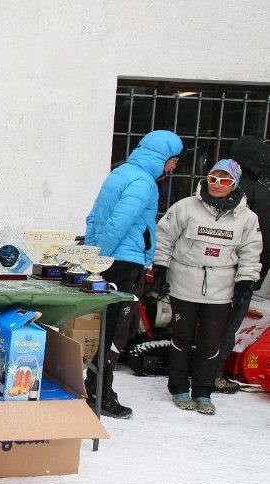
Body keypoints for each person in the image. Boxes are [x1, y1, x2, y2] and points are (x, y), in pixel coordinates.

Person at [84, 129, 183, 419]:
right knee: (117, 331)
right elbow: (119, 222)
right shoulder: (144, 183)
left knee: (109, 328)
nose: (174, 166)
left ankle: (98, 389)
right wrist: (101, 258)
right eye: (174, 160)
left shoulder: (120, 173)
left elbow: (93, 216)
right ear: (164, 157)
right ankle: (101, 395)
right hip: (124, 264)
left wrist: (93, 251)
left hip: (111, 259)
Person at [152, 159, 261, 414]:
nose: (218, 185)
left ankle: (203, 392)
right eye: (214, 179)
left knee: (210, 342)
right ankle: (178, 388)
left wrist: (245, 281)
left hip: (220, 288)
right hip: (184, 283)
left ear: (234, 185)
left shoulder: (247, 217)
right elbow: (164, 237)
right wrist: (160, 268)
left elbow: (250, 252)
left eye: (225, 181)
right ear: (207, 179)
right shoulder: (186, 207)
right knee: (182, 337)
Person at [213, 136, 270, 393]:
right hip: (242, 271)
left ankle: (200, 368)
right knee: (229, 322)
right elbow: (265, 239)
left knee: (208, 321)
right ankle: (214, 374)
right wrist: (257, 275)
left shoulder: (218, 185)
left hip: (209, 269)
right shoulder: (260, 193)